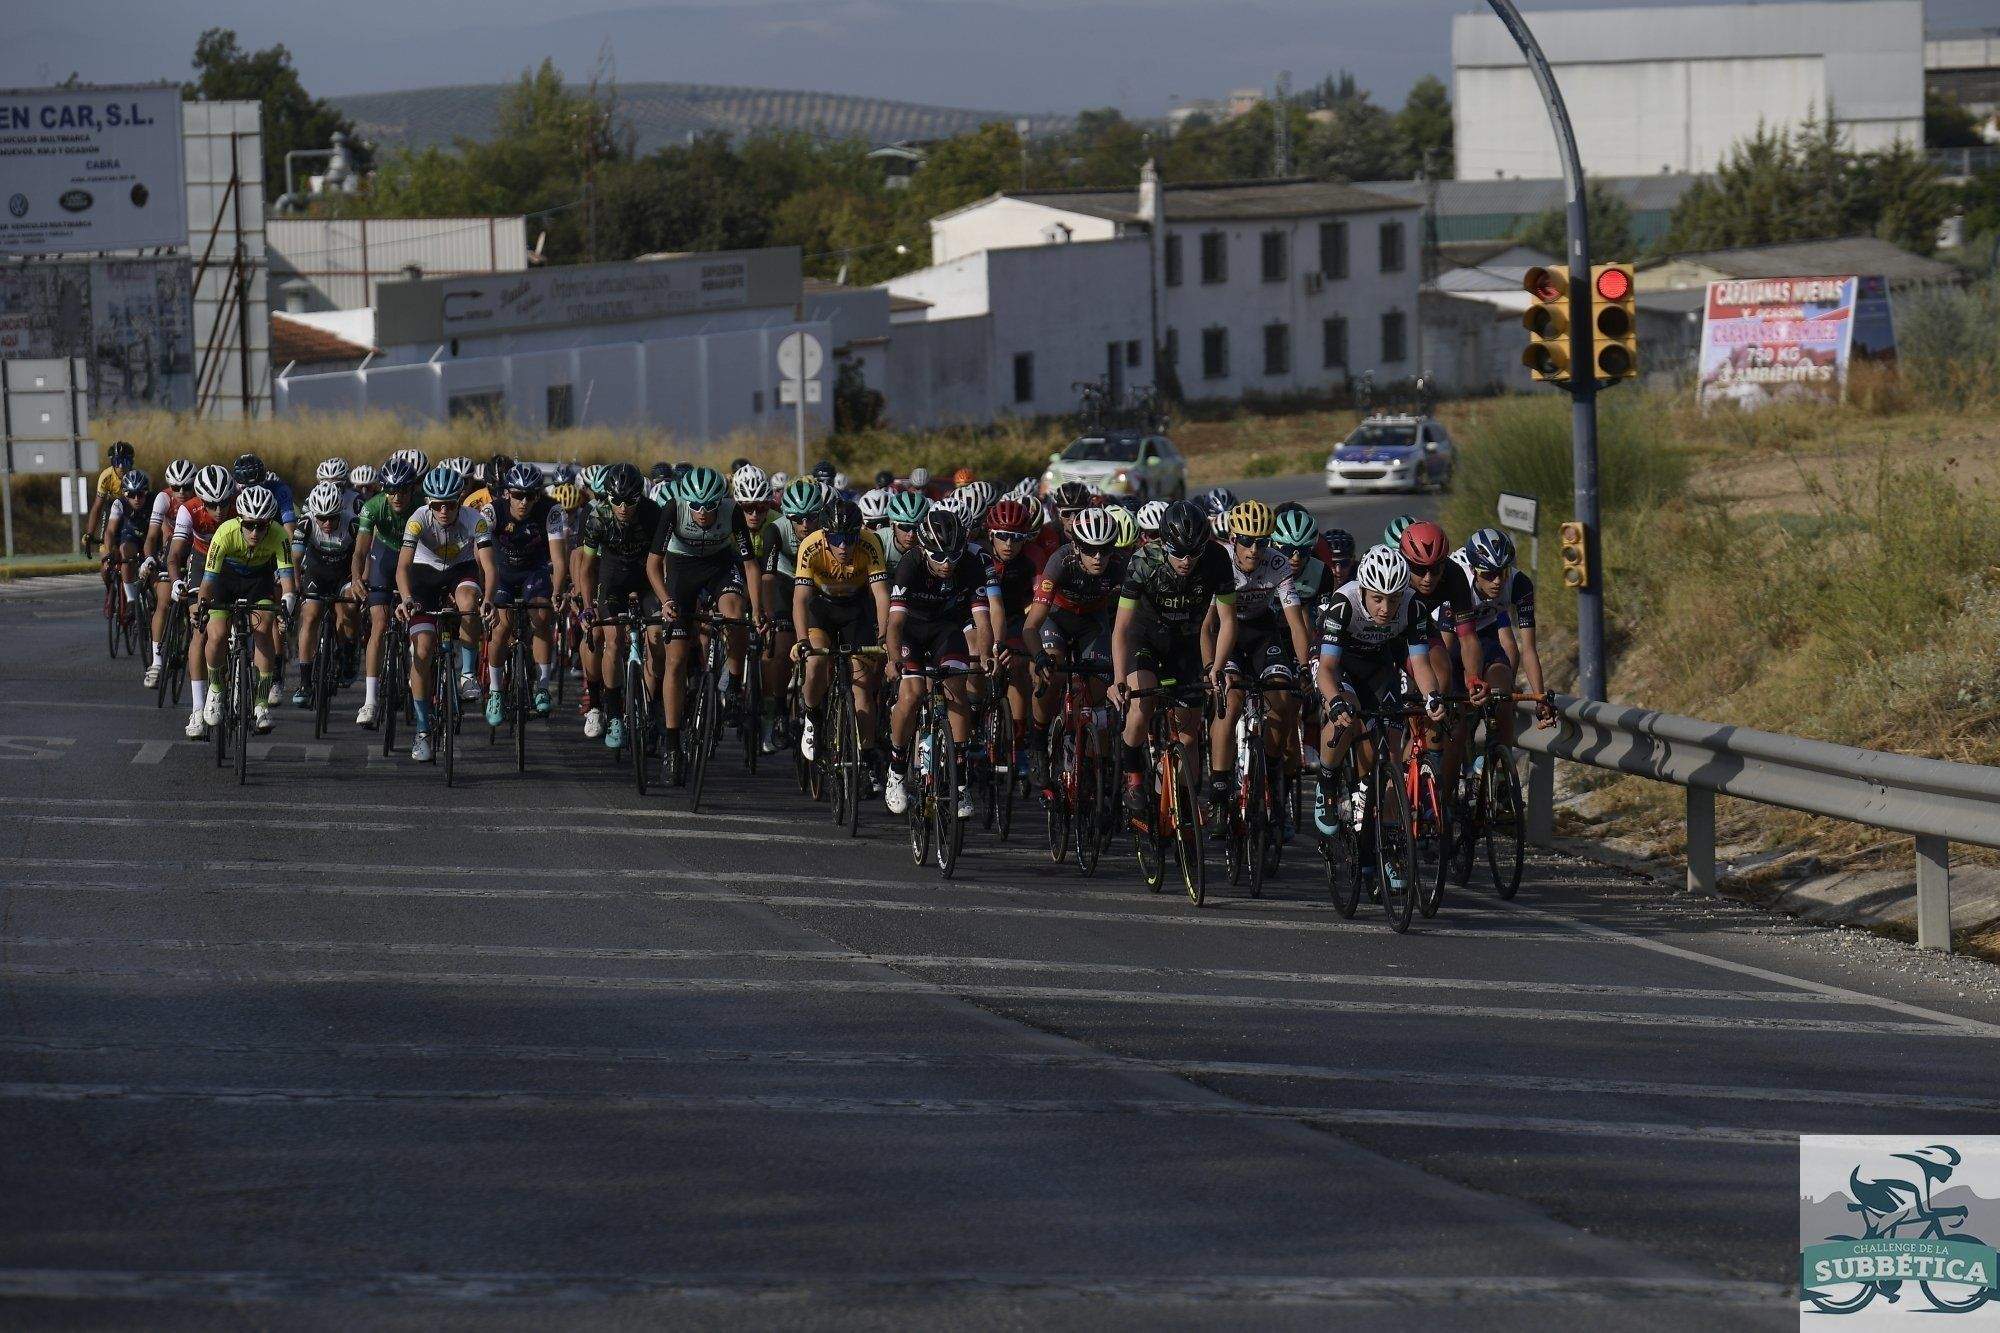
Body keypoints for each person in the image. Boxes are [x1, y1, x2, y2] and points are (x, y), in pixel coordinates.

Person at [1315, 545, 1449, 859]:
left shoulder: (1413, 607)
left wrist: (1432, 697)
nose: (1386, 608)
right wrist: (1335, 701)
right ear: (1363, 590)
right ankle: (1327, 783)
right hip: (1339, 663)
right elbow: (1327, 671)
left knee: (1390, 753)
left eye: (1393, 599)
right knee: (1344, 717)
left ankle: (1389, 843)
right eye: (1377, 598)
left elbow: (1421, 665)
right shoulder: (1343, 605)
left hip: (1378, 664)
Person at [1109, 500, 1235, 829]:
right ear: (1163, 544)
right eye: (1178, 552)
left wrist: (1217, 666)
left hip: (1185, 642)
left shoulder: (1218, 559)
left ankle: (1184, 801)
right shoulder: (1143, 560)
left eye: (1193, 552)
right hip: (1145, 638)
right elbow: (1121, 628)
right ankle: (1134, 775)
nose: (1186, 560)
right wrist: (1118, 678)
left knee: (1189, 733)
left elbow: (1227, 621)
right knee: (1143, 701)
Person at [645, 465, 763, 778]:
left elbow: (750, 565)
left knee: (735, 615)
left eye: (709, 506)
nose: (702, 512)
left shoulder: (733, 511)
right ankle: (672, 744)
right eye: (695, 506)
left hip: (719, 565)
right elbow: (653, 564)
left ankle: (734, 685)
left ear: (719, 502)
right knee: (676, 659)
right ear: (686, 502)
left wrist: (759, 610)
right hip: (681, 566)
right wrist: (666, 601)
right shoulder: (674, 508)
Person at [1206, 500, 1313, 834]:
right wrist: (1213, 666)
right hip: (1226, 635)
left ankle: (1273, 778)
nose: (1255, 549)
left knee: (1282, 699)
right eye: (1247, 541)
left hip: (1263, 634)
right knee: (1232, 702)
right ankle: (1220, 794)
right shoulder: (1218, 562)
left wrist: (1306, 666)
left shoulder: (1278, 564)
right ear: (1234, 538)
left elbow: (1296, 623)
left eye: (1262, 542)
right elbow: (1207, 624)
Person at [884, 510, 998, 818]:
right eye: (938, 556)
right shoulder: (910, 565)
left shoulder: (971, 565)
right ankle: (895, 771)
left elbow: (982, 619)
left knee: (956, 692)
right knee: (911, 693)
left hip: (945, 630)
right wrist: (894, 659)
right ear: (923, 549)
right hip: (911, 630)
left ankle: (959, 784)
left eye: (953, 556)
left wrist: (987, 653)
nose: (946, 564)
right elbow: (894, 623)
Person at [395, 464, 497, 763]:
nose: (443, 511)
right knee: (423, 650)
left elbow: (489, 567)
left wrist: (488, 599)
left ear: (459, 501)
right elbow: (403, 567)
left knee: (469, 601)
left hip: (459, 571)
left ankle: (467, 674)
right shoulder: (417, 520)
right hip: (423, 575)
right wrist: (406, 599)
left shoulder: (475, 520)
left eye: (449, 504)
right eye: (436, 505)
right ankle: (423, 731)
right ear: (429, 503)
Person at [1022, 505, 1125, 792]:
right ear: (1076, 546)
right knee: (1052, 674)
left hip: (1093, 622)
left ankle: (1094, 764)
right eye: (1091, 550)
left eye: (1105, 550)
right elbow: (1031, 627)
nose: (1098, 557)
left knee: (1098, 691)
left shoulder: (1118, 566)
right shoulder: (1059, 562)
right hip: (1057, 618)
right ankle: (1039, 744)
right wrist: (1039, 657)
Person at [792, 496, 891, 783]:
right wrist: (801, 640)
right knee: (815, 663)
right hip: (821, 610)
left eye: (849, 538)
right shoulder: (810, 545)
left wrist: (883, 637)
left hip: (856, 610)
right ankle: (812, 715)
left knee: (863, 683)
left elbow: (881, 595)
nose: (844, 546)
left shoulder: (870, 542)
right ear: (825, 535)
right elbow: (800, 598)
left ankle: (867, 750)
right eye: (836, 538)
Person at [196, 485, 298, 737]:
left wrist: (287, 603)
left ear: (269, 524)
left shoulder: (279, 536)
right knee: (217, 634)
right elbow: (208, 580)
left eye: (261, 525)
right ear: (240, 520)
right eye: (250, 525)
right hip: (225, 581)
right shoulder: (225, 532)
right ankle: (217, 689)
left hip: (258, 582)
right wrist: (203, 605)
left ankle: (261, 705)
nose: (255, 532)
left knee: (264, 630)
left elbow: (287, 579)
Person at [577, 463, 662, 747]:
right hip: (612, 579)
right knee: (613, 639)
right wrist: (587, 606)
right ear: (607, 498)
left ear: (641, 497)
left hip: (647, 578)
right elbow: (588, 567)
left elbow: (666, 562)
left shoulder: (653, 515)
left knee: (657, 637)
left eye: (630, 501)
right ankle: (613, 714)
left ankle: (651, 710)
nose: (623, 507)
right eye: (616, 501)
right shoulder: (598, 516)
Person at [483, 462, 569, 723]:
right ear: (507, 493)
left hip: (535, 570)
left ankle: (542, 686)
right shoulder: (492, 511)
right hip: (502, 572)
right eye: (518, 495)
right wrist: (485, 591)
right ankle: (496, 692)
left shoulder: (550, 510)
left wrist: (557, 590)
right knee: (500, 627)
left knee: (542, 617)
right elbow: (480, 554)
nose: (524, 502)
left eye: (530, 496)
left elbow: (559, 557)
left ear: (537, 495)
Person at [348, 458, 422, 728]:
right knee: (379, 623)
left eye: (403, 490)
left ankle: (420, 682)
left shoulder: (423, 506)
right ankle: (370, 701)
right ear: (384, 489)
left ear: (412, 489)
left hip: (415, 560)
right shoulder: (373, 506)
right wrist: (357, 577)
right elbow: (360, 551)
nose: (397, 496)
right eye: (391, 490)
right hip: (384, 557)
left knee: (418, 624)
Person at [168, 465, 234, 738]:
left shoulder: (239, 505)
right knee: (200, 630)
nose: (219, 510)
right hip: (201, 564)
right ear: (201, 501)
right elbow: (175, 556)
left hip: (234, 563)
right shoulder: (188, 510)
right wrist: (176, 583)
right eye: (212, 505)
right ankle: (197, 708)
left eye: (223, 503)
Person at [290, 481, 361, 708]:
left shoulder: (352, 523)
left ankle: (348, 651)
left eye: (332, 517)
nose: (327, 523)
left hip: (344, 575)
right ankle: (304, 682)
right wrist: (296, 583)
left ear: (340, 511)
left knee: (349, 609)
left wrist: (360, 581)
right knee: (310, 615)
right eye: (322, 518)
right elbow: (295, 558)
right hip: (316, 574)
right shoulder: (306, 523)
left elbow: (364, 555)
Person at [140, 459, 198, 686]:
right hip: (172, 550)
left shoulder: (203, 500)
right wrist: (149, 558)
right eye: (176, 487)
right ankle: (156, 662)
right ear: (169, 487)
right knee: (163, 600)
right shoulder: (163, 498)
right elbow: (152, 536)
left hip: (197, 551)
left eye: (187, 486)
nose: (182, 492)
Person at [86, 441, 136, 555]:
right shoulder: (106, 476)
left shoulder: (136, 476)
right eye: (117, 462)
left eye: (125, 462)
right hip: (111, 507)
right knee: (105, 550)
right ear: (112, 462)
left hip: (131, 509)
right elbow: (97, 507)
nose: (121, 466)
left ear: (132, 462)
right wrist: (90, 533)